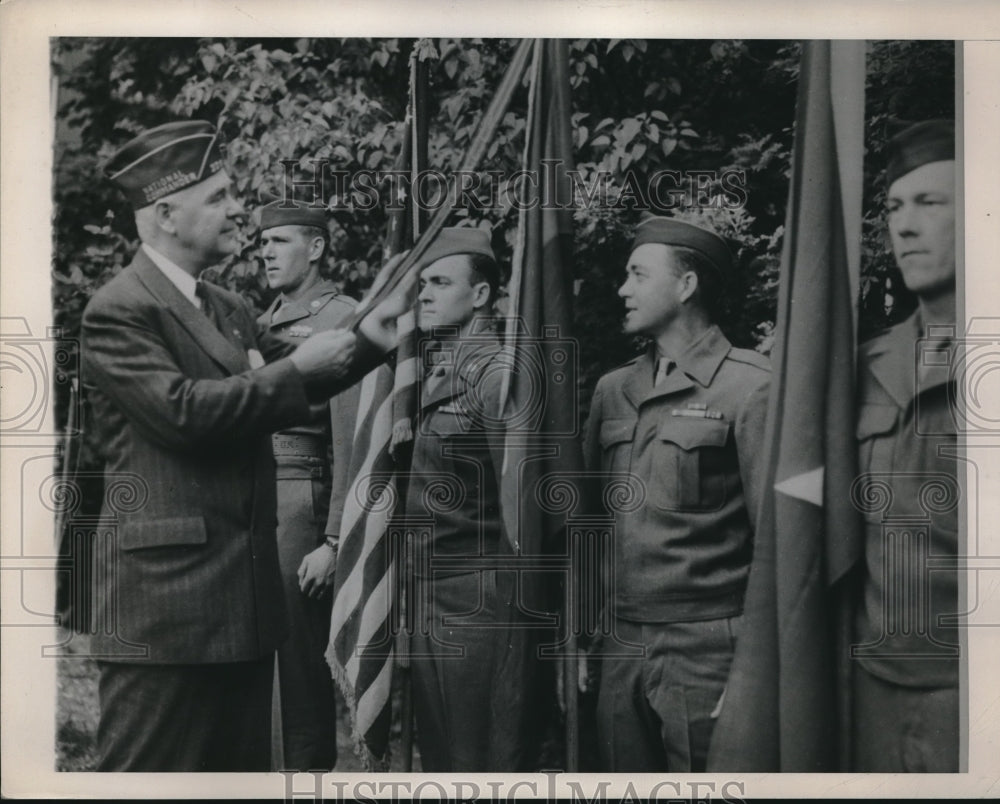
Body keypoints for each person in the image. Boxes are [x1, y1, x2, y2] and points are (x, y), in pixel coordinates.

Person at [81, 120, 399, 771]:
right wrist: (297, 371)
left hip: (243, 615)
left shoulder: (226, 305)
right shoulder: (119, 309)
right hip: (164, 619)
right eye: (220, 197)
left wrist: (374, 338)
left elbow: (308, 377)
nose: (238, 213)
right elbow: (184, 414)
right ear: (167, 214)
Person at [583, 216, 770, 772]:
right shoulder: (614, 390)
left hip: (709, 649)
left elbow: (777, 544)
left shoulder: (751, 386)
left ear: (686, 287)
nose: (623, 289)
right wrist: (582, 633)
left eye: (638, 274)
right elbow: (589, 527)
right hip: (620, 646)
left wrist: (754, 669)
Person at [400, 227, 533, 771]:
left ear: (480, 295)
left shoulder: (497, 375)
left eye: (439, 282)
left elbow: (520, 506)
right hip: (427, 591)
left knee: (475, 757)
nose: (424, 294)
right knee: (439, 754)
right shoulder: (432, 370)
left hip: (478, 598)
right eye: (422, 283)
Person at [851, 119, 959, 772]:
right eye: (894, 207)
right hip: (872, 687)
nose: (904, 225)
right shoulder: (868, 360)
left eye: (930, 203)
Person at [255, 197, 360, 770]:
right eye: (263, 243)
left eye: (281, 241)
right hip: (256, 497)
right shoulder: (260, 322)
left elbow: (349, 437)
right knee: (257, 659)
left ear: (316, 248)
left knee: (296, 667)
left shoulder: (341, 319)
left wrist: (335, 537)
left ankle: (302, 780)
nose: (266, 252)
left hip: (303, 501)